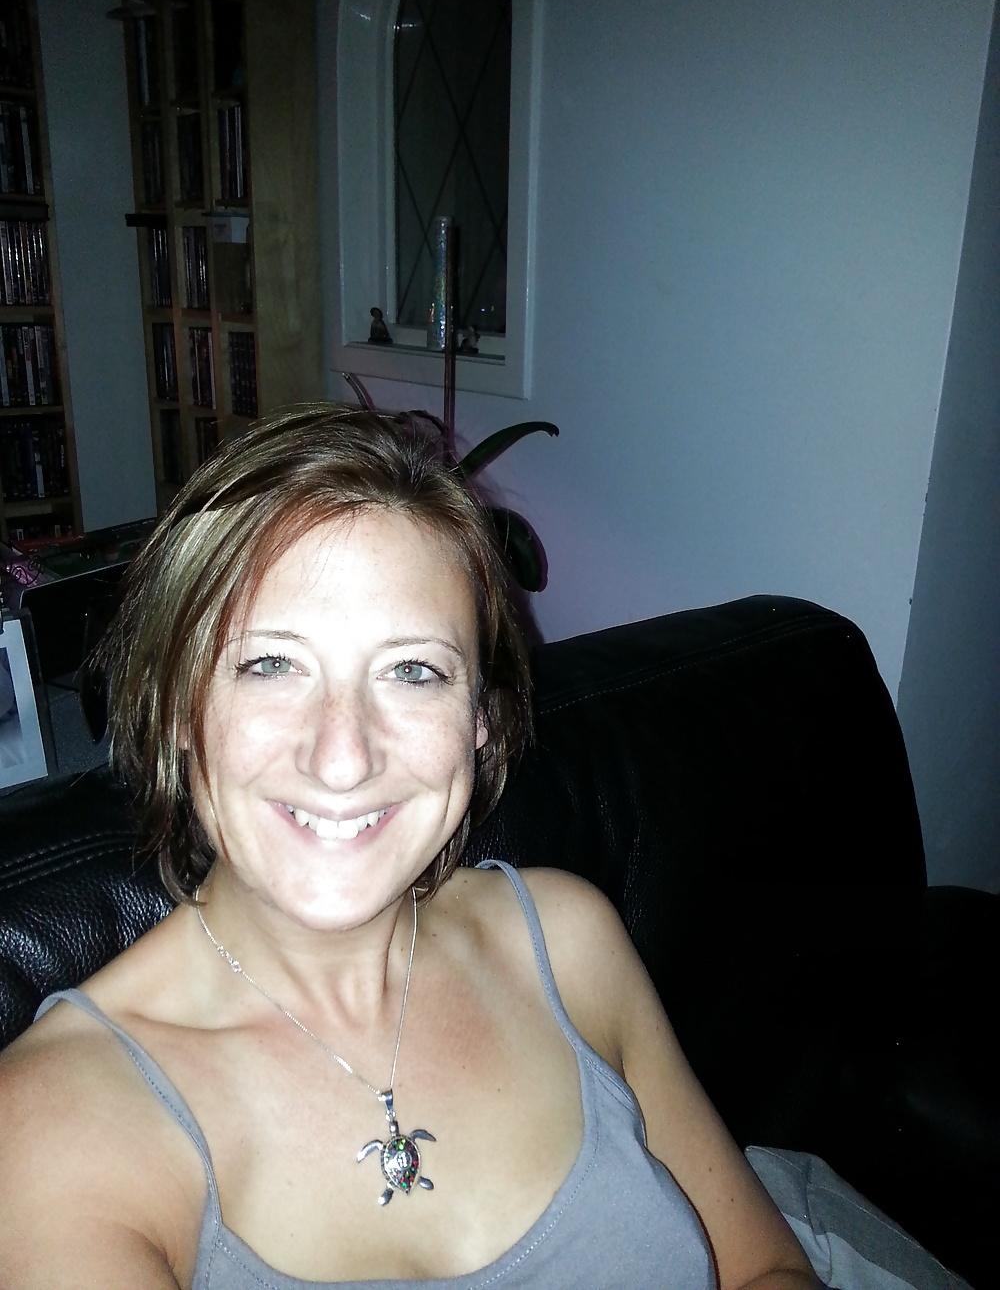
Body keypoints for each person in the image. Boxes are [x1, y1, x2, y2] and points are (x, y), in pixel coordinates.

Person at [0, 405, 819, 1288]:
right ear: (176, 710)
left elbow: (765, 1266)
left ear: (479, 721)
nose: (343, 756)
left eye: (412, 670)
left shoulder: (567, 939)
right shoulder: (58, 1118)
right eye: (270, 664)